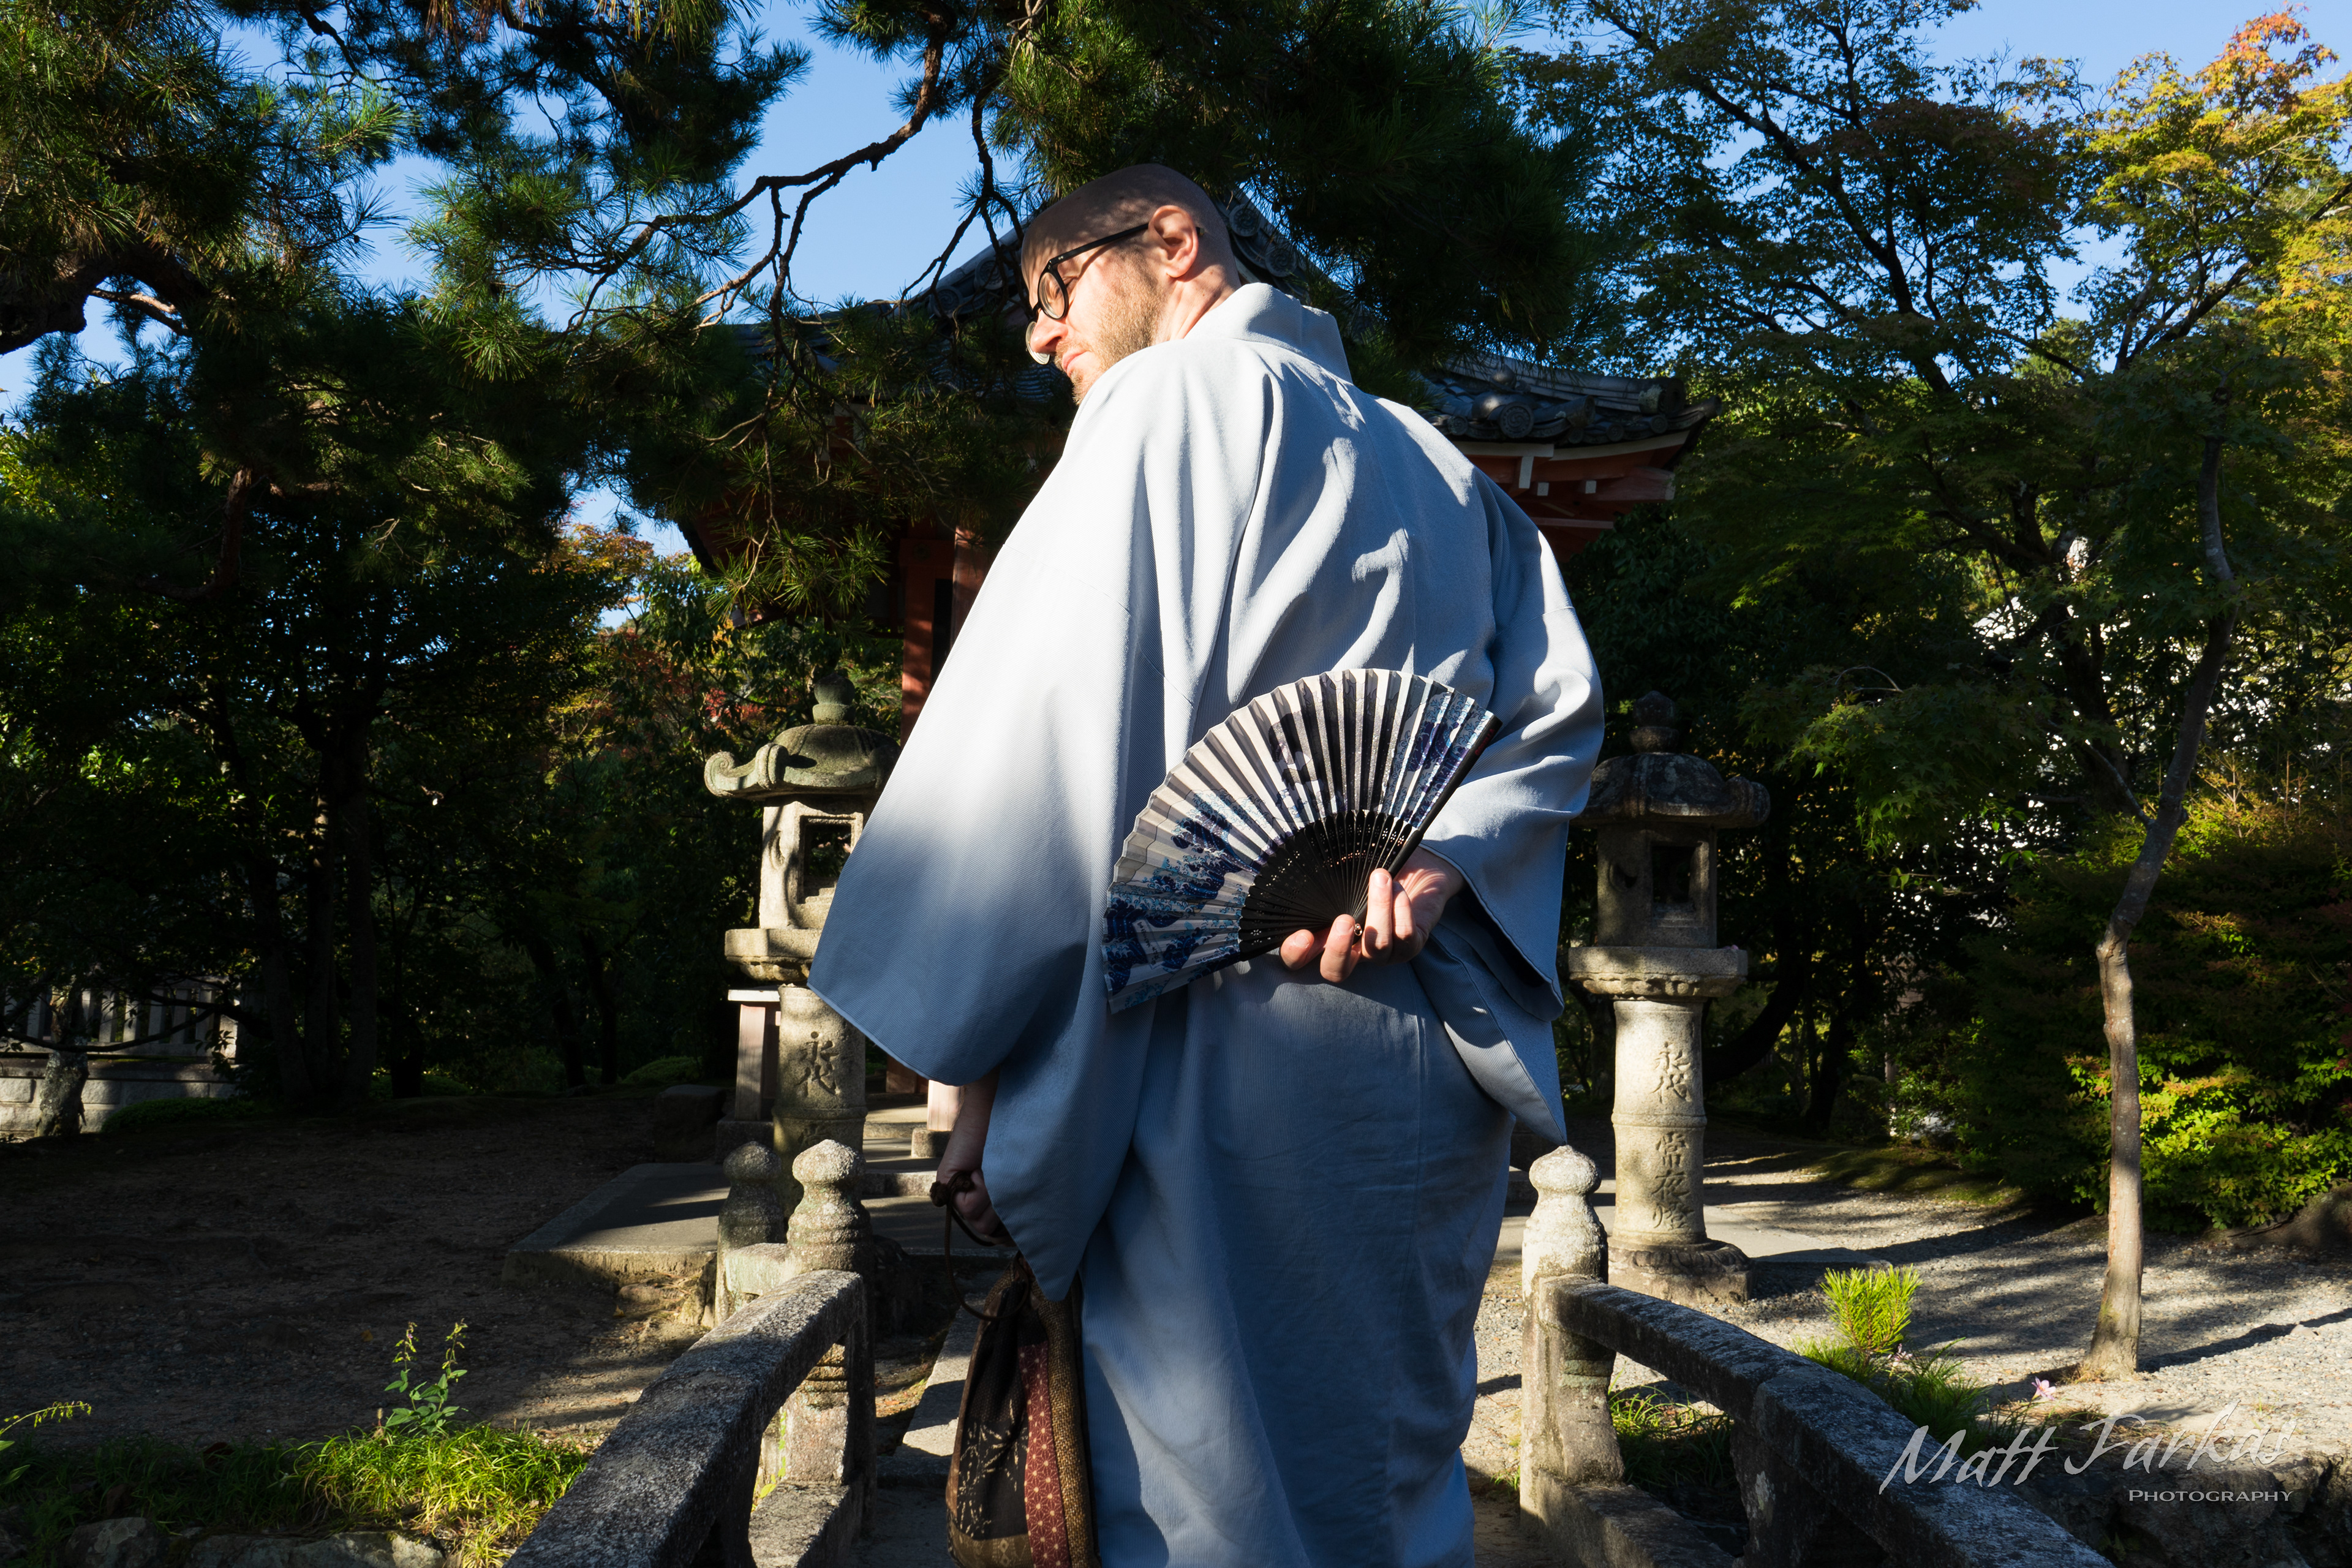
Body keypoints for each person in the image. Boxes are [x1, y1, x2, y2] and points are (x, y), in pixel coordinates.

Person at [807, 164, 1603, 1568]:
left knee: (1212, 1494)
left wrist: (974, 1093)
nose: (1042, 339)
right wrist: (1445, 860)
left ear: (1170, 243)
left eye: (1052, 295)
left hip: (1224, 1042)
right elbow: (1554, 720)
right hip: (1423, 1051)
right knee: (1388, 1467)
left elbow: (1048, 755)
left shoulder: (1168, 406)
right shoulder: (1439, 460)